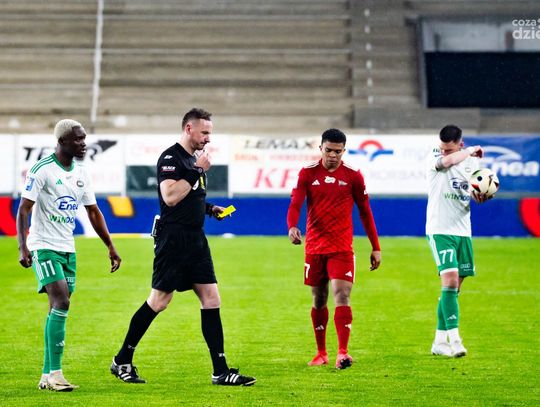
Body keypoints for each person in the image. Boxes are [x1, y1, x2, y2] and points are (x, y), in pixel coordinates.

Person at [110, 108, 256, 386]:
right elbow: (171, 196)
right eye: (204, 132)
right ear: (189, 129)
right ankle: (122, 360)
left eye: (210, 133)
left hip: (196, 240)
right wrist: (197, 169)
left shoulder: (192, 160)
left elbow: (190, 196)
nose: (208, 138)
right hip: (174, 240)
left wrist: (210, 209)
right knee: (159, 302)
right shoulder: (171, 158)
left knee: (211, 299)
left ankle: (221, 371)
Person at [17, 119, 122, 391]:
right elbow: (24, 208)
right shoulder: (42, 170)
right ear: (62, 141)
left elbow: (93, 212)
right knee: (62, 301)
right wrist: (23, 246)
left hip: (67, 248)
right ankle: (56, 374)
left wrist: (110, 246)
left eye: (84, 138)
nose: (84, 144)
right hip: (43, 246)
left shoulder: (82, 173)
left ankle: (45, 375)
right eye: (78, 139)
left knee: (56, 308)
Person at [287, 128, 382, 369]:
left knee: (342, 294)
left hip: (341, 248)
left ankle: (343, 353)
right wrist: (292, 226)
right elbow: (296, 203)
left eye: (337, 151)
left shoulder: (353, 176)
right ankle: (321, 353)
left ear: (344, 151)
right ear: (321, 148)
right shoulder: (307, 173)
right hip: (315, 248)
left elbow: (365, 212)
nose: (332, 155)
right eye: (328, 150)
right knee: (319, 299)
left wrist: (375, 246)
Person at [426, 124, 489, 358]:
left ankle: (439, 341)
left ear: (459, 144)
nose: (444, 152)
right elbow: (448, 162)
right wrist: (470, 150)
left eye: (449, 149)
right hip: (440, 229)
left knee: (453, 289)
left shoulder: (472, 164)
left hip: (462, 231)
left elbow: (471, 192)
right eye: (443, 148)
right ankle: (455, 340)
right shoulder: (435, 156)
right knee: (450, 281)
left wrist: (479, 195)